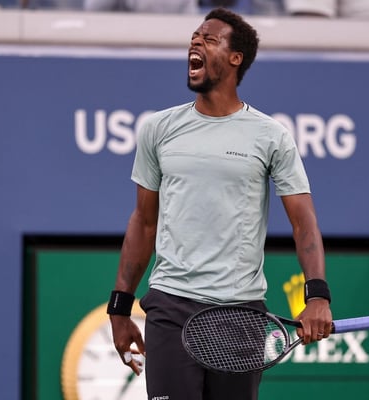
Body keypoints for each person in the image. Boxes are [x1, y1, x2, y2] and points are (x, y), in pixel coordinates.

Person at [107, 7, 333, 400]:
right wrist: (120, 306)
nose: (195, 43)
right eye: (194, 37)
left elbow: (304, 222)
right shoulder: (158, 129)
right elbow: (143, 222)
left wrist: (317, 296)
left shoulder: (271, 136)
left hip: (240, 314)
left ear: (235, 58)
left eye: (209, 39)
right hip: (170, 308)